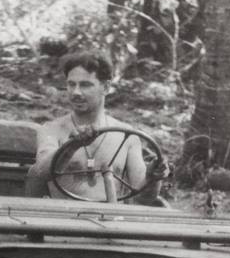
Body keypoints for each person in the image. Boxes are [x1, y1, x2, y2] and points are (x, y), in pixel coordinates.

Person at [23, 51, 151, 201]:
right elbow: (39, 173)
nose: (76, 92)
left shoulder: (127, 136)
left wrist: (154, 177)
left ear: (106, 87)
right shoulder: (51, 130)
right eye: (71, 84)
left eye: (85, 85)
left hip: (112, 215)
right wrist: (72, 146)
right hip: (64, 215)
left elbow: (145, 197)